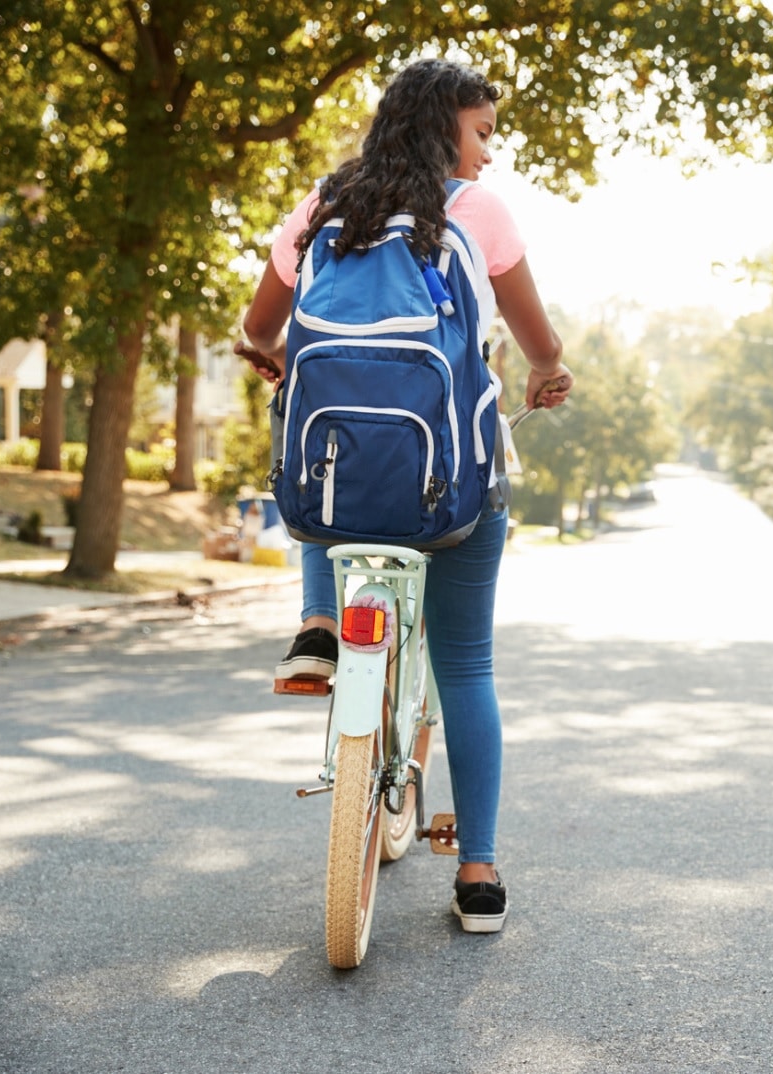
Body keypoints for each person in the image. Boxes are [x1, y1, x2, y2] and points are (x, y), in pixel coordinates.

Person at [236, 58, 572, 933]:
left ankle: (318, 623)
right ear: (443, 130)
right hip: (454, 485)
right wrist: (546, 369)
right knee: (466, 664)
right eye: (482, 133)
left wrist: (270, 355)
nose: (489, 155)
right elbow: (537, 336)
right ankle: (479, 873)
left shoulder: (324, 208)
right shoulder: (477, 212)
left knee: (323, 450)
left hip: (339, 493)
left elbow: (257, 326)